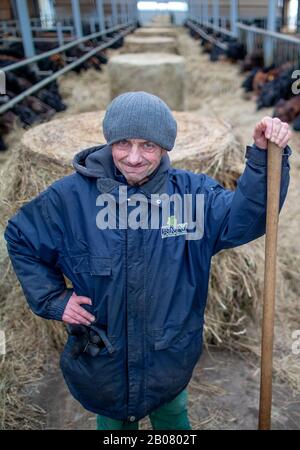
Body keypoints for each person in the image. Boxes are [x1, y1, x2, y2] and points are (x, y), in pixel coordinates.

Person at [4, 91, 292, 430]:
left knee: (172, 415)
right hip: (104, 359)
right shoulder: (69, 199)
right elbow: (21, 237)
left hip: (167, 355)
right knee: (113, 424)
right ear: (109, 140)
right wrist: (53, 297)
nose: (135, 158)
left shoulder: (192, 197)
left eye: (149, 145)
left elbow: (247, 219)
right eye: (123, 143)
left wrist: (262, 158)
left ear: (166, 147)